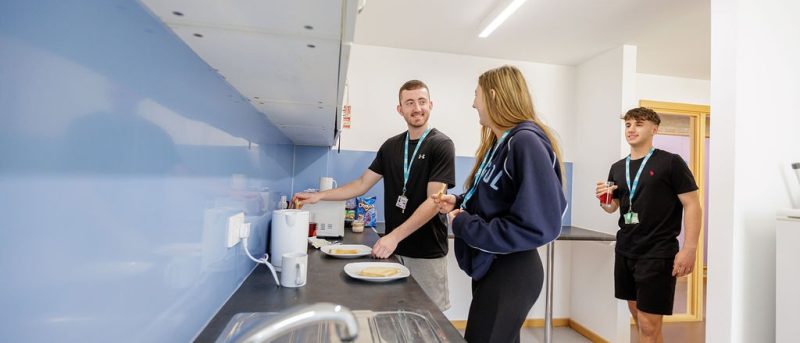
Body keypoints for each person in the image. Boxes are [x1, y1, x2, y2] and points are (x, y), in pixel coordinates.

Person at [293, 80, 456, 311]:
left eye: (421, 101)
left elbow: (434, 201)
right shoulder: (391, 146)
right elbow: (361, 184)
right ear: (400, 109)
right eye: (409, 103)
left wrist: (393, 237)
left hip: (426, 253)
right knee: (395, 313)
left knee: (428, 319)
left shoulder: (441, 145)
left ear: (431, 104)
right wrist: (319, 196)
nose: (416, 108)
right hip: (394, 251)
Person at [433, 65, 567, 343]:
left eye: (476, 95)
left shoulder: (526, 142)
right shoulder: (500, 144)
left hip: (512, 271)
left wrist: (464, 223)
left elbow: (540, 224)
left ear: (493, 96)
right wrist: (459, 202)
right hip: (493, 266)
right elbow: (499, 199)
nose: (473, 104)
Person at [595, 107, 702, 343]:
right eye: (628, 125)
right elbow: (613, 207)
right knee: (637, 316)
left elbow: (692, 205)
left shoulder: (671, 163)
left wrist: (689, 248)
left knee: (648, 323)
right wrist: (603, 198)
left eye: (638, 124)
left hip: (657, 252)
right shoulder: (617, 167)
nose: (631, 129)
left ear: (655, 129)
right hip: (625, 249)